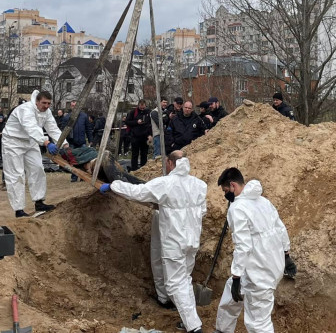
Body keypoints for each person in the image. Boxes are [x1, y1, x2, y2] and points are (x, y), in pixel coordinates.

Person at [100, 150, 207, 333]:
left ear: (170, 163)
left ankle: (194, 327)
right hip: (192, 241)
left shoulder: (166, 184)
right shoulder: (200, 185)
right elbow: (202, 211)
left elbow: (138, 192)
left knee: (175, 284)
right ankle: (186, 319)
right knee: (185, 280)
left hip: (175, 243)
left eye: (166, 163)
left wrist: (114, 185)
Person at [214, 168, 295, 333]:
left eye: (225, 191)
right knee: (230, 298)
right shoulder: (263, 202)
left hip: (259, 273)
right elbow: (280, 228)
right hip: (264, 264)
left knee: (258, 323)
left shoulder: (237, 209)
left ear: (233, 185)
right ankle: (223, 329)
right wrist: (286, 255)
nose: (225, 195)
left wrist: (236, 276)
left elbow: (243, 246)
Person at [1, 90, 59, 217]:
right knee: (16, 174)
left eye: (49, 103)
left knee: (37, 169)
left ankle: (39, 202)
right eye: (44, 103)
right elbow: (31, 127)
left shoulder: (47, 112)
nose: (46, 106)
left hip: (30, 142)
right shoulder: (25, 109)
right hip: (13, 142)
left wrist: (64, 144)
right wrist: (46, 142)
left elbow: (53, 128)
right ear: (37, 101)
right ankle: (19, 210)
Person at [126, 100, 152, 171]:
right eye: (141, 107)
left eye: (144, 107)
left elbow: (150, 124)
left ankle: (143, 168)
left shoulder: (148, 112)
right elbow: (127, 122)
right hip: (135, 137)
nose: (142, 108)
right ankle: (134, 168)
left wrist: (150, 135)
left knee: (144, 154)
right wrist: (136, 122)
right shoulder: (133, 112)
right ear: (138, 105)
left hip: (145, 137)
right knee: (135, 154)